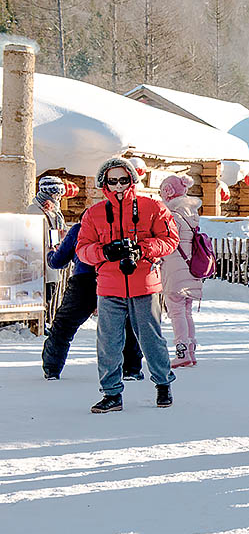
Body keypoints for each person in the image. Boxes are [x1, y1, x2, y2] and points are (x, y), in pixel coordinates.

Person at [76, 157, 179, 413]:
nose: (119, 186)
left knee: (151, 339)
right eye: (113, 181)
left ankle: (163, 384)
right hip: (109, 286)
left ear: (132, 180)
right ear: (105, 184)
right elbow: (82, 249)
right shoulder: (94, 213)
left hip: (144, 284)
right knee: (108, 342)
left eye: (124, 180)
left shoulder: (153, 207)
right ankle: (111, 393)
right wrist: (104, 252)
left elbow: (170, 239)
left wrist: (143, 249)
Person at [41, 222, 144, 381]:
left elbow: (58, 261)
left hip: (84, 279)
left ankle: (52, 368)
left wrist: (50, 254)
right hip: (115, 278)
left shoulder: (80, 228)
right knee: (127, 323)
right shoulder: (122, 226)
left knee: (64, 324)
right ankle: (131, 369)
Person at [158, 175, 204, 368]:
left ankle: (182, 351)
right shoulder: (192, 215)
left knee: (176, 311)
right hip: (191, 269)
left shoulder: (173, 216)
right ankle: (190, 351)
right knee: (186, 311)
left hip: (174, 270)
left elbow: (167, 242)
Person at [27, 176, 68, 318]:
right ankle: (39, 320)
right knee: (43, 292)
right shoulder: (35, 210)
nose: (58, 198)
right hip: (40, 259)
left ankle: (46, 319)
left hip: (53, 256)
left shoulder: (55, 212)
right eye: (56, 194)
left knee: (51, 291)